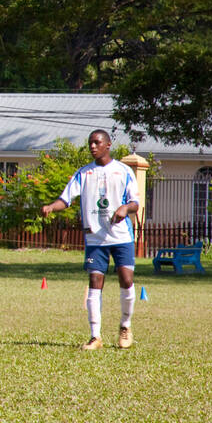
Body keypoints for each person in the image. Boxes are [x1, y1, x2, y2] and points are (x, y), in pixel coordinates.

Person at [41, 129, 140, 351]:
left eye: (97, 142)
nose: (93, 146)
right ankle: (95, 336)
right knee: (95, 282)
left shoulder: (123, 171)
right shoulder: (83, 174)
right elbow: (65, 199)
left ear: (108, 145)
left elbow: (135, 203)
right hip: (95, 238)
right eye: (90, 143)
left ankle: (125, 327)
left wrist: (125, 208)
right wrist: (50, 207)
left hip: (121, 236)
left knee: (126, 279)